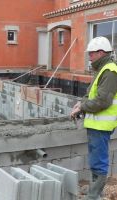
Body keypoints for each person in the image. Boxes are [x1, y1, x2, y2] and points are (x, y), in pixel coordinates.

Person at [71, 36, 117, 200]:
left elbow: (103, 101)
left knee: (99, 161)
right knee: (95, 159)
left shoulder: (110, 71)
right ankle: (94, 191)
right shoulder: (101, 70)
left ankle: (94, 195)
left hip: (101, 126)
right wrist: (80, 104)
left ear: (101, 53)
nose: (89, 57)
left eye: (91, 54)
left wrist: (83, 107)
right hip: (95, 125)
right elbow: (91, 93)